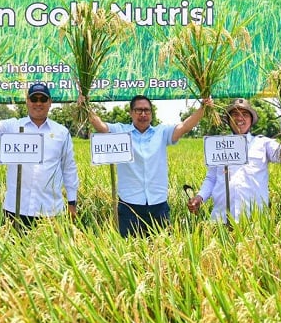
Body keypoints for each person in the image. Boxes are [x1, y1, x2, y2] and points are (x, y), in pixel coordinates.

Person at [87, 94, 208, 237]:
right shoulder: (120, 131)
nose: (143, 114)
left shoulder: (161, 132)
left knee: (162, 251)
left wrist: (203, 108)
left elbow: (185, 126)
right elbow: (101, 126)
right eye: (139, 110)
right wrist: (86, 106)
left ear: (151, 113)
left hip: (158, 204)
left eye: (147, 110)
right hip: (129, 204)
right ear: (131, 112)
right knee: (129, 249)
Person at [0, 83, 78, 228]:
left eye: (43, 99)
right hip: (15, 210)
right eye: (34, 99)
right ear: (27, 101)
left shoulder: (61, 133)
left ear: (50, 103)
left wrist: (72, 203)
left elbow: (69, 169)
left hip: (50, 211)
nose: (38, 103)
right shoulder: (13, 127)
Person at [187, 98, 281, 223]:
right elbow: (211, 178)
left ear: (251, 120)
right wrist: (199, 197)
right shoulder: (219, 145)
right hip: (221, 219)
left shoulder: (263, 143)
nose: (240, 118)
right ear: (229, 120)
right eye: (234, 114)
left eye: (245, 114)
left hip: (255, 219)